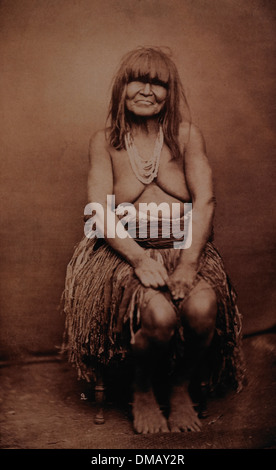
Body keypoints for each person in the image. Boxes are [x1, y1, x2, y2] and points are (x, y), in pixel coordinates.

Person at [62, 46, 245, 434]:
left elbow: (205, 200)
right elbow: (98, 208)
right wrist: (139, 259)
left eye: (157, 83)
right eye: (137, 80)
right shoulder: (105, 142)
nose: (147, 90)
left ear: (169, 92)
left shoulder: (187, 136)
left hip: (184, 249)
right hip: (123, 253)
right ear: (121, 89)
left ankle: (179, 388)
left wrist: (189, 264)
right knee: (159, 317)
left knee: (201, 309)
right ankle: (142, 390)